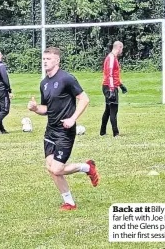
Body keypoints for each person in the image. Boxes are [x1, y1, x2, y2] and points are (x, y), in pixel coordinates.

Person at [28, 47, 99, 211]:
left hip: (64, 133)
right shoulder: (44, 83)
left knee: (57, 168)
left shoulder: (67, 78)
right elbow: (47, 109)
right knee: (51, 168)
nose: (45, 61)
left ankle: (87, 168)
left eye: (49, 59)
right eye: (44, 59)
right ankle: (69, 202)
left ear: (57, 60)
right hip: (50, 131)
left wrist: (73, 119)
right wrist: (35, 108)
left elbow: (84, 99)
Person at [100, 41, 128, 137]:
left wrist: (120, 85)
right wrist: (112, 89)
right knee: (113, 109)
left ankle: (102, 132)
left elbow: (114, 75)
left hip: (108, 85)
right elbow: (110, 74)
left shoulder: (113, 57)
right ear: (119, 47)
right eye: (122, 48)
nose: (122, 50)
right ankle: (116, 133)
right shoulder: (111, 58)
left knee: (108, 109)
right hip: (109, 86)